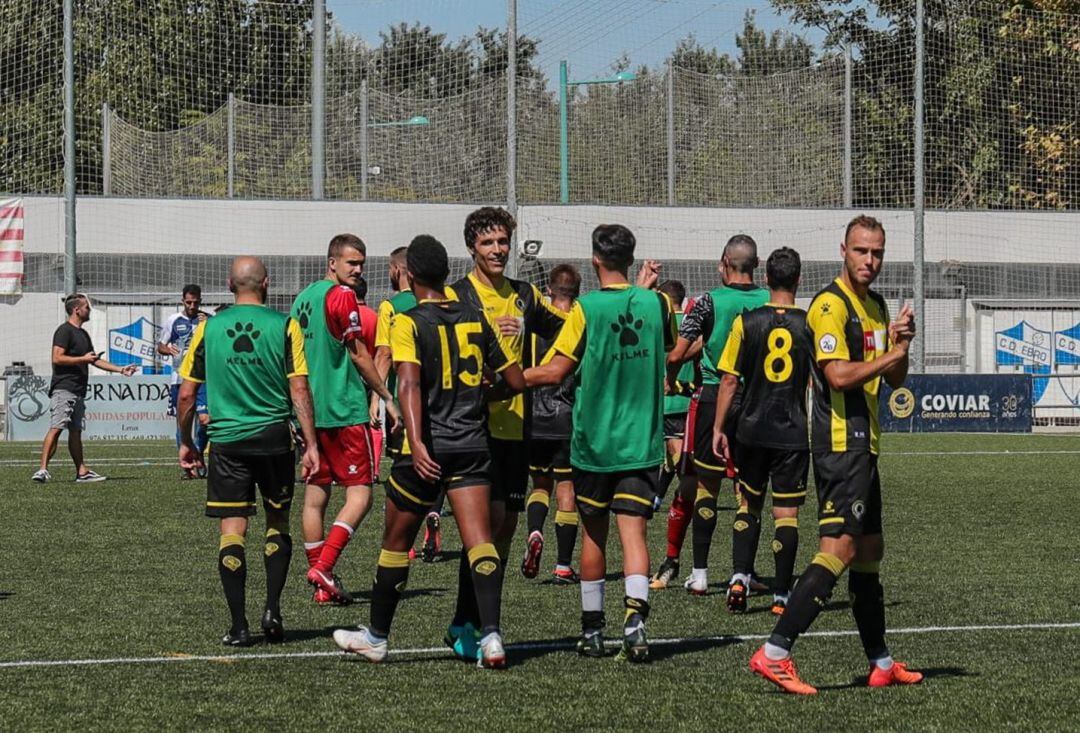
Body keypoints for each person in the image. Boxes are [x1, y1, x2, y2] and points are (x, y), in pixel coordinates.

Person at [749, 215, 923, 694]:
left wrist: (901, 345)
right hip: (841, 443)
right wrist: (891, 355)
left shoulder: (877, 305)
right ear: (843, 251)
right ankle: (775, 652)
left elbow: (895, 379)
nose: (870, 260)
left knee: (869, 551)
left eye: (877, 252)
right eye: (861, 251)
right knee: (840, 548)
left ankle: (881, 663)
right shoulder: (829, 305)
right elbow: (839, 376)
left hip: (866, 444)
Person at [333, 235, 525, 669]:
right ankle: (492, 637)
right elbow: (515, 381)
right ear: (446, 273)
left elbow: (409, 384)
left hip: (429, 448)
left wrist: (417, 443)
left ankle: (377, 637)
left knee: (396, 542)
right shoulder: (476, 317)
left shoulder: (409, 321)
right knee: (480, 542)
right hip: (473, 445)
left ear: (411, 274)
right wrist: (481, 395)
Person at [525, 224, 674, 663]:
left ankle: (592, 631)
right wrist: (642, 291)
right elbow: (668, 345)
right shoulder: (658, 303)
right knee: (634, 534)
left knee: (593, 535)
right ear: (631, 258)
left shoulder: (585, 309)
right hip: (641, 442)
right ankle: (635, 624)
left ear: (595, 260)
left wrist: (507, 379)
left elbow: (555, 370)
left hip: (594, 444)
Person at [176, 256, 320, 646]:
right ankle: (272, 610)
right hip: (274, 440)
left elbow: (187, 394)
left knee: (232, 530)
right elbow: (300, 389)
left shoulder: (208, 328)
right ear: (266, 284)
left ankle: (239, 626)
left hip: (228, 442)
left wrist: (187, 442)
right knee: (278, 522)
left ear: (229, 285)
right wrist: (311, 444)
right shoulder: (286, 325)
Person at [443, 206, 566, 653]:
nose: (497, 250)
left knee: (506, 527)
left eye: (502, 242)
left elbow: (570, 328)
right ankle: (467, 622)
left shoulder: (525, 295)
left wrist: (534, 330)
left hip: (517, 427)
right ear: (471, 248)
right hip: (472, 429)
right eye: (487, 243)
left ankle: (472, 621)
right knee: (484, 527)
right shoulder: (456, 296)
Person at [291, 234, 399, 605]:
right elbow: (358, 354)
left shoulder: (303, 298)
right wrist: (386, 397)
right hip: (343, 408)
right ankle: (324, 567)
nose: (358, 270)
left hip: (310, 412)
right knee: (361, 494)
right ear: (332, 262)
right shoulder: (342, 296)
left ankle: (322, 584)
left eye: (362, 264)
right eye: (352, 263)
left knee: (315, 496)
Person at [665, 235, 768, 595]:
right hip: (757, 401)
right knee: (748, 492)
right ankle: (743, 574)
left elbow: (677, 353)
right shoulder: (769, 301)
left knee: (706, 487)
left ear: (724, 262)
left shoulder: (708, 301)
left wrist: (669, 376)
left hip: (712, 398)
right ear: (757, 265)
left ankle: (700, 574)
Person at [712, 247, 812, 615]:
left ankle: (739, 577)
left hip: (751, 430)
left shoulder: (747, 322)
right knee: (786, 515)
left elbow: (728, 380)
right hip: (792, 432)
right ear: (799, 279)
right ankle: (781, 596)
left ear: (766, 278)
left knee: (748, 504)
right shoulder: (810, 325)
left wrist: (719, 427)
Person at [31, 294, 138, 484]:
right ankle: (42, 470)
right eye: (86, 307)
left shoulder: (83, 334)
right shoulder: (64, 331)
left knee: (75, 431)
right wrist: (83, 359)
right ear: (76, 310)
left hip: (79, 390)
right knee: (56, 427)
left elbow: (94, 360)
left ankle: (81, 472)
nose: (89, 310)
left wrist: (121, 370)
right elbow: (57, 358)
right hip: (64, 388)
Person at [521, 264, 581, 584]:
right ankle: (563, 566)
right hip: (566, 416)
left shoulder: (534, 325)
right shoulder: (579, 322)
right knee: (566, 489)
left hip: (534, 416)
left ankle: (535, 532)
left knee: (540, 485)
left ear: (549, 290)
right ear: (577, 293)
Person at [649, 281, 700, 589]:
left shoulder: (661, 325)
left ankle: (659, 496)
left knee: (681, 463)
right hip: (694, 400)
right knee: (679, 461)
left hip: (670, 402)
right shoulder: (694, 322)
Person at [158, 284, 212, 479]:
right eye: (188, 302)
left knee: (205, 420)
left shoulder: (208, 319)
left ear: (200, 301)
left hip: (203, 377)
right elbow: (160, 346)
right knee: (183, 423)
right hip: (179, 378)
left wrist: (209, 324)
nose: (192, 306)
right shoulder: (173, 320)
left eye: (195, 302)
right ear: (182, 301)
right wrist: (167, 349)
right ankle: (188, 465)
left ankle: (198, 453)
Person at [352, 275, 382, 479]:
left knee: (351, 423)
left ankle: (354, 465)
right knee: (374, 420)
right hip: (372, 374)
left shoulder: (347, 316)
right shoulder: (375, 316)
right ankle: (375, 469)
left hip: (351, 375)